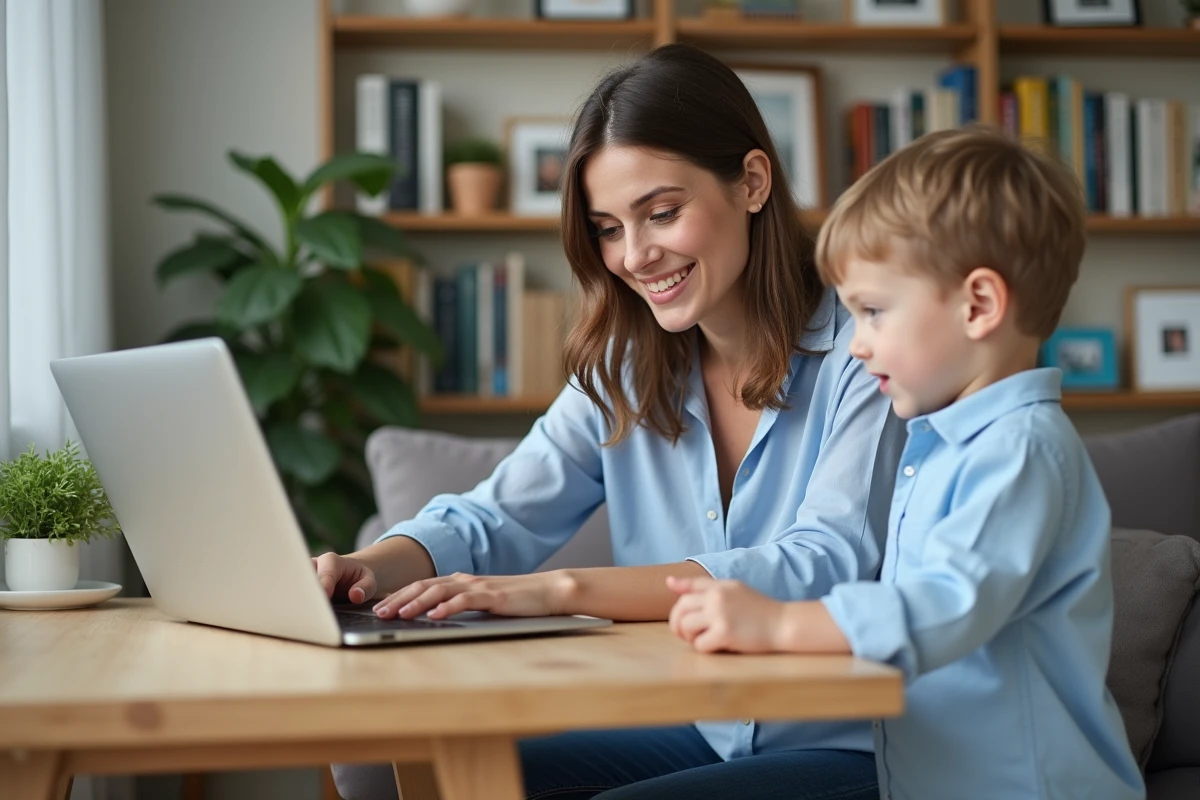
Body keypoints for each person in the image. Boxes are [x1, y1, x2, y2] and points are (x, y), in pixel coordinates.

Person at [322, 43, 905, 800]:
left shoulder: (869, 349)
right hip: (709, 724)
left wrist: (562, 589)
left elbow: (824, 562)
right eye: (606, 228)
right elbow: (491, 516)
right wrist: (371, 568)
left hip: (859, 742)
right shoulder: (626, 368)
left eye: (662, 213)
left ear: (752, 182)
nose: (634, 255)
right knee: (435, 775)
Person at [667, 126, 1146, 800]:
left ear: (978, 305)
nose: (856, 346)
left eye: (872, 312)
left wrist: (778, 622)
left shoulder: (1021, 450)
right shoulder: (944, 444)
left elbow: (944, 604)